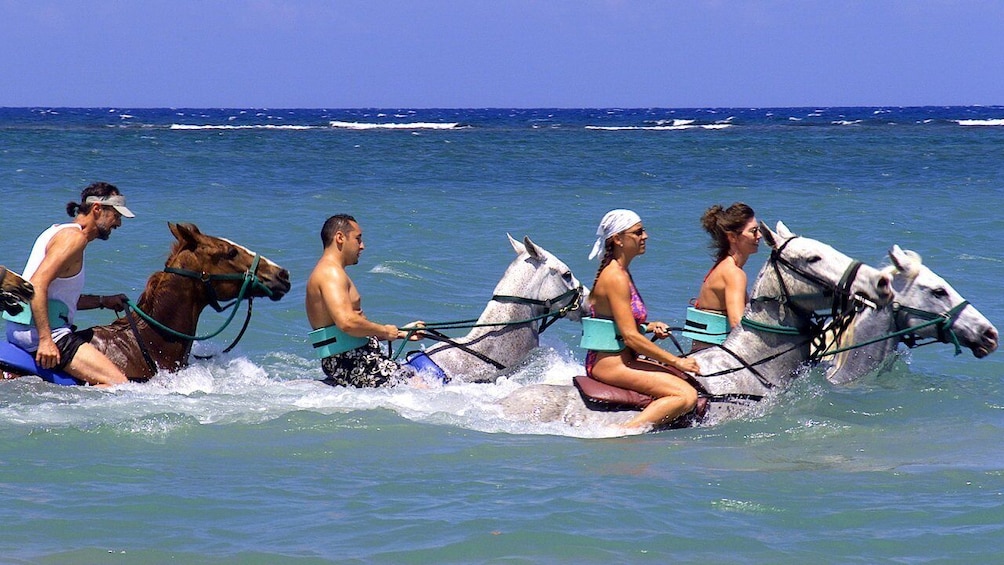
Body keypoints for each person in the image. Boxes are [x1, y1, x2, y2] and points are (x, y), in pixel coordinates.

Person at [5, 182, 135, 386]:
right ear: (97, 209)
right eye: (116, 215)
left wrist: (103, 301)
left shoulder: (57, 231)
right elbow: (37, 285)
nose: (118, 223)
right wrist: (46, 340)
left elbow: (56, 296)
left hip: (23, 328)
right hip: (42, 334)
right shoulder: (74, 239)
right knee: (118, 384)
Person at [583, 209, 701, 429]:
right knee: (685, 395)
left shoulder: (621, 271)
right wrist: (676, 361)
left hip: (622, 359)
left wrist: (647, 327)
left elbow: (620, 324)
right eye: (637, 232)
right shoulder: (615, 277)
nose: (645, 236)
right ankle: (623, 434)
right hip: (610, 364)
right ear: (618, 239)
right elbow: (630, 337)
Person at [305, 214, 424, 387]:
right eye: (357, 239)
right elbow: (347, 322)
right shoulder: (330, 274)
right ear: (340, 237)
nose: (362, 246)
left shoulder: (331, 272)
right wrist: (384, 331)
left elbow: (349, 329)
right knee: (423, 384)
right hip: (352, 363)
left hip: (353, 358)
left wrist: (400, 333)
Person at [687, 202, 761, 351]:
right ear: (732, 237)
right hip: (714, 358)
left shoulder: (722, 267)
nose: (759, 236)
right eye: (753, 231)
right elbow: (736, 323)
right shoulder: (734, 273)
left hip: (702, 352)